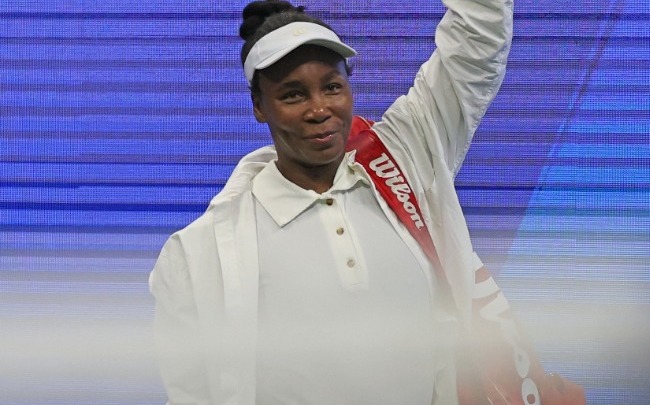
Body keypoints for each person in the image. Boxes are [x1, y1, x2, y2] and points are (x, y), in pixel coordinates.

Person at [148, 0, 535, 404]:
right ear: (259, 107)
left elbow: (477, 42)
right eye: (293, 95)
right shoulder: (199, 255)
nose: (319, 109)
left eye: (332, 87)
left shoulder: (403, 160)